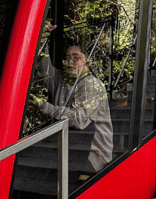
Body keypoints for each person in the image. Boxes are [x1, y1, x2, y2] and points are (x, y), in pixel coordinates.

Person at [30, 45, 113, 174]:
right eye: (67, 58)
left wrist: (43, 106)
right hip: (69, 147)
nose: (70, 62)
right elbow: (44, 66)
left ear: (88, 62)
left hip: (92, 156)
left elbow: (79, 120)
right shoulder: (64, 80)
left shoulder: (91, 83)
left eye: (76, 57)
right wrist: (44, 36)